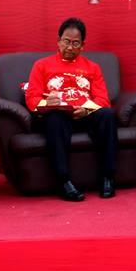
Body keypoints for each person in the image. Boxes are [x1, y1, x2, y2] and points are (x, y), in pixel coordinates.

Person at [25, 18, 117, 201]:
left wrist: (86, 110)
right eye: (66, 41)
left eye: (75, 43)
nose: (69, 47)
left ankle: (108, 177)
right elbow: (32, 98)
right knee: (54, 118)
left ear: (82, 46)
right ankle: (64, 181)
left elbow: (102, 99)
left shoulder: (92, 68)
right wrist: (46, 103)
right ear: (58, 41)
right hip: (59, 115)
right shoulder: (41, 65)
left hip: (85, 114)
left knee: (107, 114)